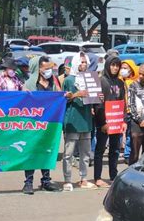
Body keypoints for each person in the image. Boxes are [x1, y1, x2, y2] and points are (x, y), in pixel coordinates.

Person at [22, 56, 61, 195]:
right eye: (46, 68)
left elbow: (58, 98)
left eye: (50, 68)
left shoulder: (53, 83)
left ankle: (46, 181)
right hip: (33, 125)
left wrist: (65, 96)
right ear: (37, 69)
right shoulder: (29, 85)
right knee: (31, 152)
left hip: (49, 124)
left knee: (46, 151)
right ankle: (28, 182)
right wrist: (23, 95)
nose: (49, 71)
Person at [62, 52, 96, 191]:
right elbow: (64, 98)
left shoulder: (90, 78)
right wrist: (77, 94)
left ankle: (83, 178)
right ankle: (67, 179)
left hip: (86, 118)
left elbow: (93, 97)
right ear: (76, 63)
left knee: (85, 153)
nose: (83, 64)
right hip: (72, 118)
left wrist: (97, 97)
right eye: (81, 62)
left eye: (85, 62)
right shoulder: (69, 80)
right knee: (68, 153)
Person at [93, 56, 126, 187]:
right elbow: (98, 105)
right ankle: (98, 177)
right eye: (112, 65)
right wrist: (102, 123)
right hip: (104, 122)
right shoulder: (101, 81)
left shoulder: (120, 82)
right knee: (100, 150)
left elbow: (122, 103)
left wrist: (123, 120)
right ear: (107, 65)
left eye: (117, 65)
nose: (115, 68)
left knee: (115, 150)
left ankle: (113, 176)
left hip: (117, 121)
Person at [119, 60, 138, 164]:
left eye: (126, 68)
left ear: (131, 70)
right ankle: (116, 151)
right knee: (118, 134)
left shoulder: (134, 83)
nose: (123, 70)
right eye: (122, 67)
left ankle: (127, 154)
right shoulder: (118, 81)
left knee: (130, 134)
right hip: (118, 111)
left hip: (130, 112)